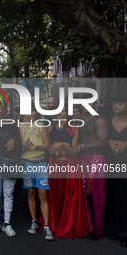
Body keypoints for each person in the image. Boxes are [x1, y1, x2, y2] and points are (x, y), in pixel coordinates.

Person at [68, 100, 107, 240]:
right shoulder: (81, 119)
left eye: (88, 103)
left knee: (96, 194)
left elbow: (103, 141)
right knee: (84, 192)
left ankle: (98, 229)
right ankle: (88, 226)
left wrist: (82, 146)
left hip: (96, 158)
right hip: (82, 159)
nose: (84, 106)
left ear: (95, 103)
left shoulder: (99, 120)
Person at [47, 106, 88, 239]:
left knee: (70, 194)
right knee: (56, 193)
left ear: (67, 113)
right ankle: (56, 221)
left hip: (70, 163)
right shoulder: (50, 127)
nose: (60, 113)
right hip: (55, 162)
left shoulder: (74, 127)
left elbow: (72, 148)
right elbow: (47, 145)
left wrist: (60, 144)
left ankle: (70, 222)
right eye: (58, 111)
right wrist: (60, 145)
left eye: (63, 111)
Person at [19, 105, 54, 241]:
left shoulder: (41, 125)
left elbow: (47, 144)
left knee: (43, 194)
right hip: (26, 163)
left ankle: (46, 226)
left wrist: (37, 146)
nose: (33, 113)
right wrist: (24, 147)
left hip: (40, 163)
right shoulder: (19, 127)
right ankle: (34, 221)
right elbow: (18, 149)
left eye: (35, 110)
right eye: (30, 110)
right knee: (31, 193)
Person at [0, 101, 21, 237]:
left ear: (6, 111)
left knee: (8, 193)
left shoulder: (13, 125)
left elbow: (20, 143)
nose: (0, 111)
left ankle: (7, 223)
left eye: (3, 109)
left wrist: (14, 141)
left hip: (10, 162)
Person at [104, 97, 127, 248]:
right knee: (112, 193)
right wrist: (109, 141)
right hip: (111, 162)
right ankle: (111, 229)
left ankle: (124, 233)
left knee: (125, 196)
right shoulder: (108, 120)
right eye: (114, 103)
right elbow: (101, 139)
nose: (116, 106)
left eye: (120, 102)